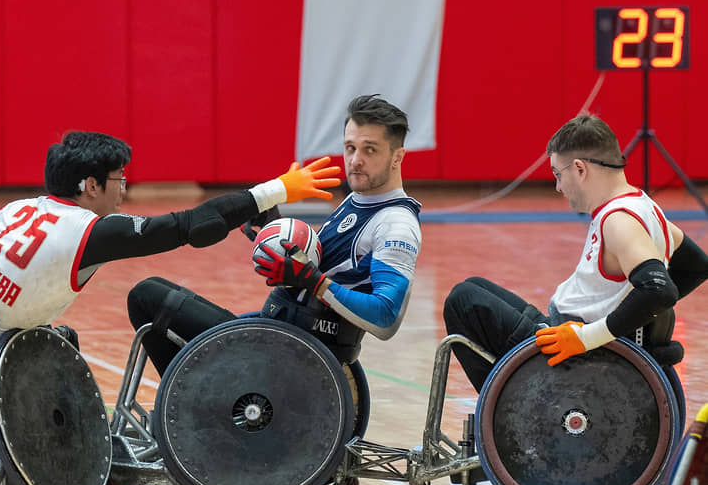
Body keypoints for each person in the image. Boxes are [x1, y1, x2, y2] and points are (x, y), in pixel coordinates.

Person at [0, 130, 342, 342]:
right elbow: (191, 227)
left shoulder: (16, 208)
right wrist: (277, 189)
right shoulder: (91, 232)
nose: (123, 188)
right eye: (118, 179)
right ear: (90, 185)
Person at [127, 94, 422, 377]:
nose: (355, 160)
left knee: (146, 297)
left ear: (397, 157)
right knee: (153, 288)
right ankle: (194, 402)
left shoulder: (396, 224)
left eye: (370, 149)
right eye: (350, 147)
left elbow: (385, 319)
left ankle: (196, 407)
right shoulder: (358, 200)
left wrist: (313, 282)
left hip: (295, 356)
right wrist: (274, 227)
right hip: (278, 334)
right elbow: (320, 267)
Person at [443, 115, 708, 393]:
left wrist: (589, 337)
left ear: (580, 169)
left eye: (558, 174)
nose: (558, 187)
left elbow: (659, 290)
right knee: (474, 286)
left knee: (462, 301)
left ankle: (510, 414)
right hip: (574, 339)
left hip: (578, 360)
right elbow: (697, 267)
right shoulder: (646, 208)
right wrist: (637, 324)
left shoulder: (619, 221)